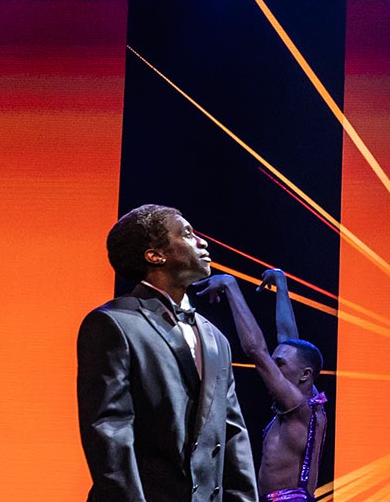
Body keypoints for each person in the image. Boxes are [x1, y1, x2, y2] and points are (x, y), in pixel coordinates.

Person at [77, 204, 257, 501]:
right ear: (155, 255)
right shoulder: (114, 323)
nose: (202, 242)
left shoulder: (216, 338)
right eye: (187, 234)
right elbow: (110, 430)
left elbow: (233, 434)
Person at [196, 268, 327, 502]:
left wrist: (231, 286)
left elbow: (256, 350)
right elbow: (288, 339)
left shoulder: (298, 406)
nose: (273, 370)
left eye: (280, 364)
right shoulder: (308, 395)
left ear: (305, 374)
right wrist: (281, 284)